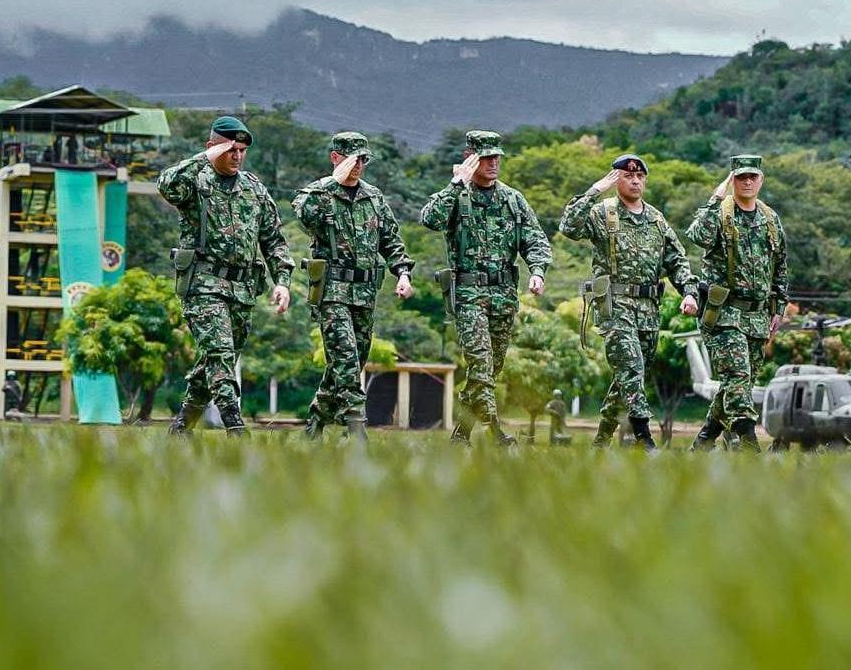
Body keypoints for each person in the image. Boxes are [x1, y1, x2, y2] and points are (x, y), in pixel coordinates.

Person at [158, 116, 294, 437]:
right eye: (230, 149)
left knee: (218, 359)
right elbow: (166, 184)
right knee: (219, 352)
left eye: (242, 150)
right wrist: (204, 158)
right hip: (203, 285)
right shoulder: (195, 183)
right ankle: (235, 426)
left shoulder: (254, 189)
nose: (237, 155)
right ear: (212, 148)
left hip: (243, 288)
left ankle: (181, 427)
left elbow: (273, 239)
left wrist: (283, 282)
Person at [421, 131, 552, 445]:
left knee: (490, 368)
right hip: (468, 294)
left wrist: (537, 271)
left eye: (497, 157)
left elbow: (535, 240)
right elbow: (430, 219)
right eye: (486, 157)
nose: (493, 163)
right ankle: (496, 431)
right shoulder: (457, 195)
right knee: (480, 361)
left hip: (504, 295)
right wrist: (455, 183)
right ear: (470, 158)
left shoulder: (512, 199)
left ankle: (461, 434)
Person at [559, 154, 699, 450]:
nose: (635, 181)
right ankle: (644, 438)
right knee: (631, 367)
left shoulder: (655, 219)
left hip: (649, 310)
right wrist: (595, 191)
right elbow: (569, 227)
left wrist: (688, 291)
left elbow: (677, 260)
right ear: (616, 179)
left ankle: (600, 440)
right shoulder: (602, 213)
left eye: (639, 176)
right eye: (627, 176)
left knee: (629, 376)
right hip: (615, 306)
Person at [293, 132, 415, 443]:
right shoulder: (317, 194)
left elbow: (391, 240)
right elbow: (304, 217)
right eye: (352, 158)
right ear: (336, 158)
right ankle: (357, 428)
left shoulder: (373, 198)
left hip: (364, 294)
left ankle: (317, 420)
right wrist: (332, 183)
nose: (358, 165)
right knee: (345, 358)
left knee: (350, 362)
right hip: (331, 291)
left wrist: (402, 273)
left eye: (363, 159)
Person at [685, 154, 789, 452]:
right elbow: (696, 235)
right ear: (732, 180)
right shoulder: (720, 214)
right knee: (738, 377)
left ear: (760, 180)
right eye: (740, 177)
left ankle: (703, 441)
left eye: (752, 177)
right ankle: (749, 445)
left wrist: (779, 307)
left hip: (757, 316)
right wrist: (716, 197)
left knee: (738, 383)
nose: (747, 182)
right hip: (724, 314)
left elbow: (780, 264)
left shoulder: (770, 219)